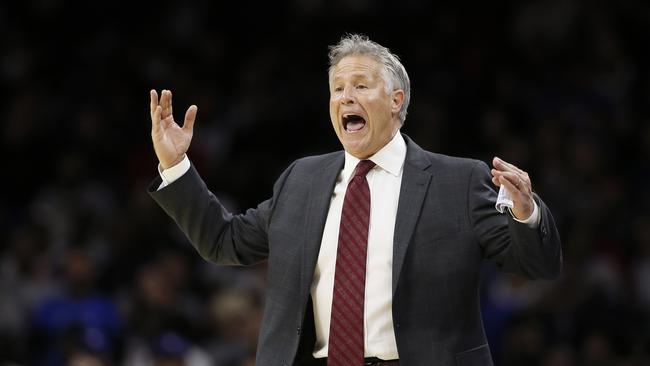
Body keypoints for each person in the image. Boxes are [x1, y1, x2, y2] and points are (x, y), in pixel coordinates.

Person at [147, 34, 562, 366]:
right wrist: (176, 166)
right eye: (337, 88)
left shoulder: (458, 181)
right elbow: (224, 242)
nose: (346, 97)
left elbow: (535, 264)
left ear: (396, 100)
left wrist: (526, 214)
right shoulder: (302, 180)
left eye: (360, 86)